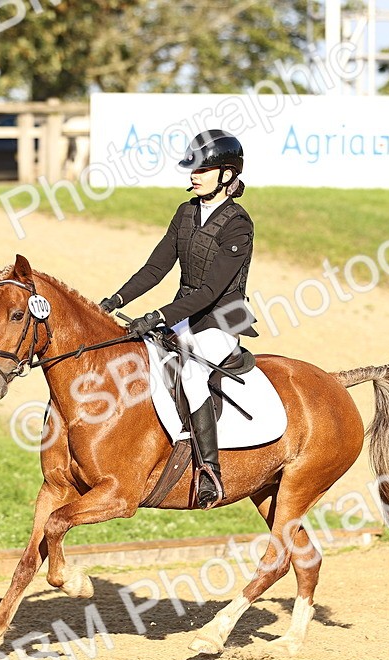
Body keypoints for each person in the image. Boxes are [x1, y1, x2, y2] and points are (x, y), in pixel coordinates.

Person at [99, 130, 257, 509]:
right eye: (193, 169)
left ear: (226, 175)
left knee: (192, 374)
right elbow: (155, 268)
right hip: (184, 315)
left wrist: (157, 315)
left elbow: (212, 291)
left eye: (202, 170)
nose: (193, 175)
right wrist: (115, 300)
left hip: (221, 319)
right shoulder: (186, 212)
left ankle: (209, 472)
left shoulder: (238, 224)